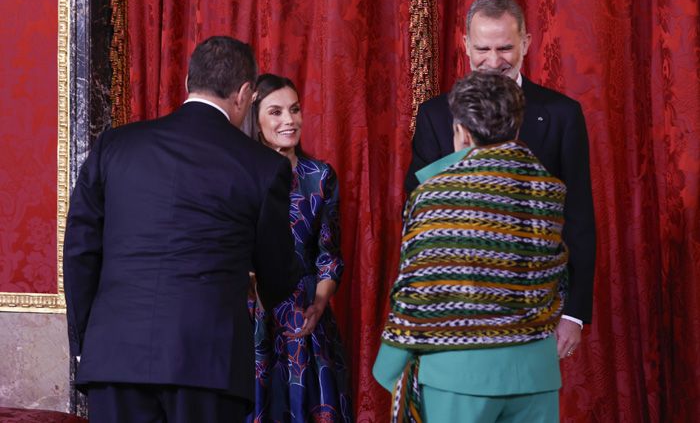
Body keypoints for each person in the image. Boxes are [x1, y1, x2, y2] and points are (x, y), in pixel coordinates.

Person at [63, 36, 301, 423]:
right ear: (245, 94)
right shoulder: (261, 166)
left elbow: (79, 252)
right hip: (206, 365)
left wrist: (86, 345)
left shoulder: (114, 146)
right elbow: (278, 273)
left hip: (115, 358)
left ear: (188, 80)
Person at [405, 0, 595, 356]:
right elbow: (416, 213)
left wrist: (575, 312)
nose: (494, 61)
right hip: (454, 312)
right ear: (465, 45)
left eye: (506, 47)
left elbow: (579, 218)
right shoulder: (434, 116)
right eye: (483, 48)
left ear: (526, 43)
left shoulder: (563, 115)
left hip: (538, 312)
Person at [375, 71, 569, 422]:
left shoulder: (434, 195)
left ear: (462, 131)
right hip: (535, 373)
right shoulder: (548, 192)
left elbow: (417, 290)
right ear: (517, 127)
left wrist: (390, 364)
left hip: (458, 373)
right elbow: (554, 278)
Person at [246, 74, 353, 422]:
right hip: (253, 318)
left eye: (294, 109)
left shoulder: (320, 177)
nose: (289, 120)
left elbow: (328, 255)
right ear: (256, 120)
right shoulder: (242, 174)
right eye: (275, 112)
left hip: (306, 319)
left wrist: (319, 305)